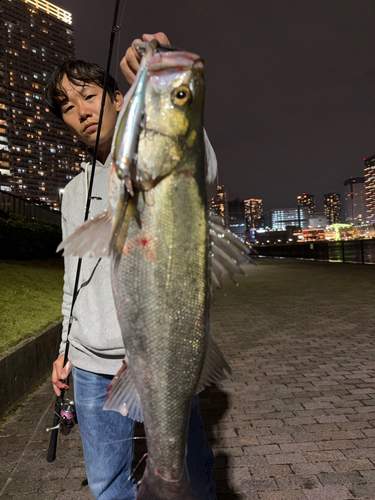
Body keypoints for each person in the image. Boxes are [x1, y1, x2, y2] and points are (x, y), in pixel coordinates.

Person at [47, 33, 218, 500]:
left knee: (196, 472)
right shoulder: (72, 194)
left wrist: (162, 79)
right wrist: (64, 345)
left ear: (121, 98)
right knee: (107, 485)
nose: (80, 111)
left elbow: (200, 166)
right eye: (67, 106)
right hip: (87, 365)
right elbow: (74, 279)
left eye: (89, 95)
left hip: (157, 357)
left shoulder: (161, 164)